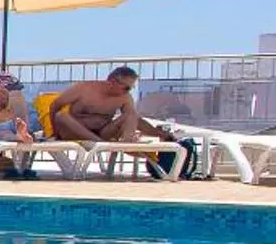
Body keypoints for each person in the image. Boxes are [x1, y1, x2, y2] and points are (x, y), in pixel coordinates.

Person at [49, 65, 188, 177]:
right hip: (74, 131)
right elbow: (55, 106)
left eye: (131, 88)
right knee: (62, 116)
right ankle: (104, 144)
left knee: (130, 114)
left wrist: (161, 134)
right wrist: (54, 133)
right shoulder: (84, 88)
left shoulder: (124, 97)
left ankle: (126, 145)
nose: (128, 91)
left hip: (103, 133)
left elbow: (134, 119)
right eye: (127, 87)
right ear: (113, 81)